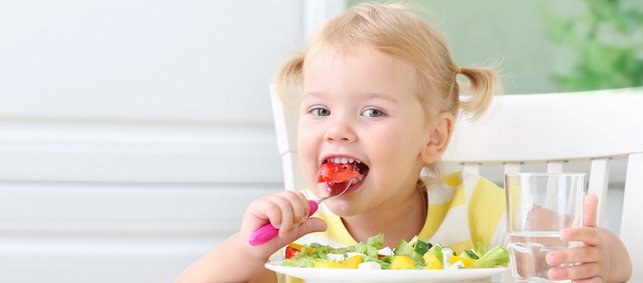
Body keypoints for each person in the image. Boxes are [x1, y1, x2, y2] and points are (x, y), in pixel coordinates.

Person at [176, 3, 632, 283]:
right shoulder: (297, 230)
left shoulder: (475, 208)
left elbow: (576, 253)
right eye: (319, 110)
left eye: (372, 111)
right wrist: (248, 248)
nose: (337, 130)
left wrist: (599, 256)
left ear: (433, 138)